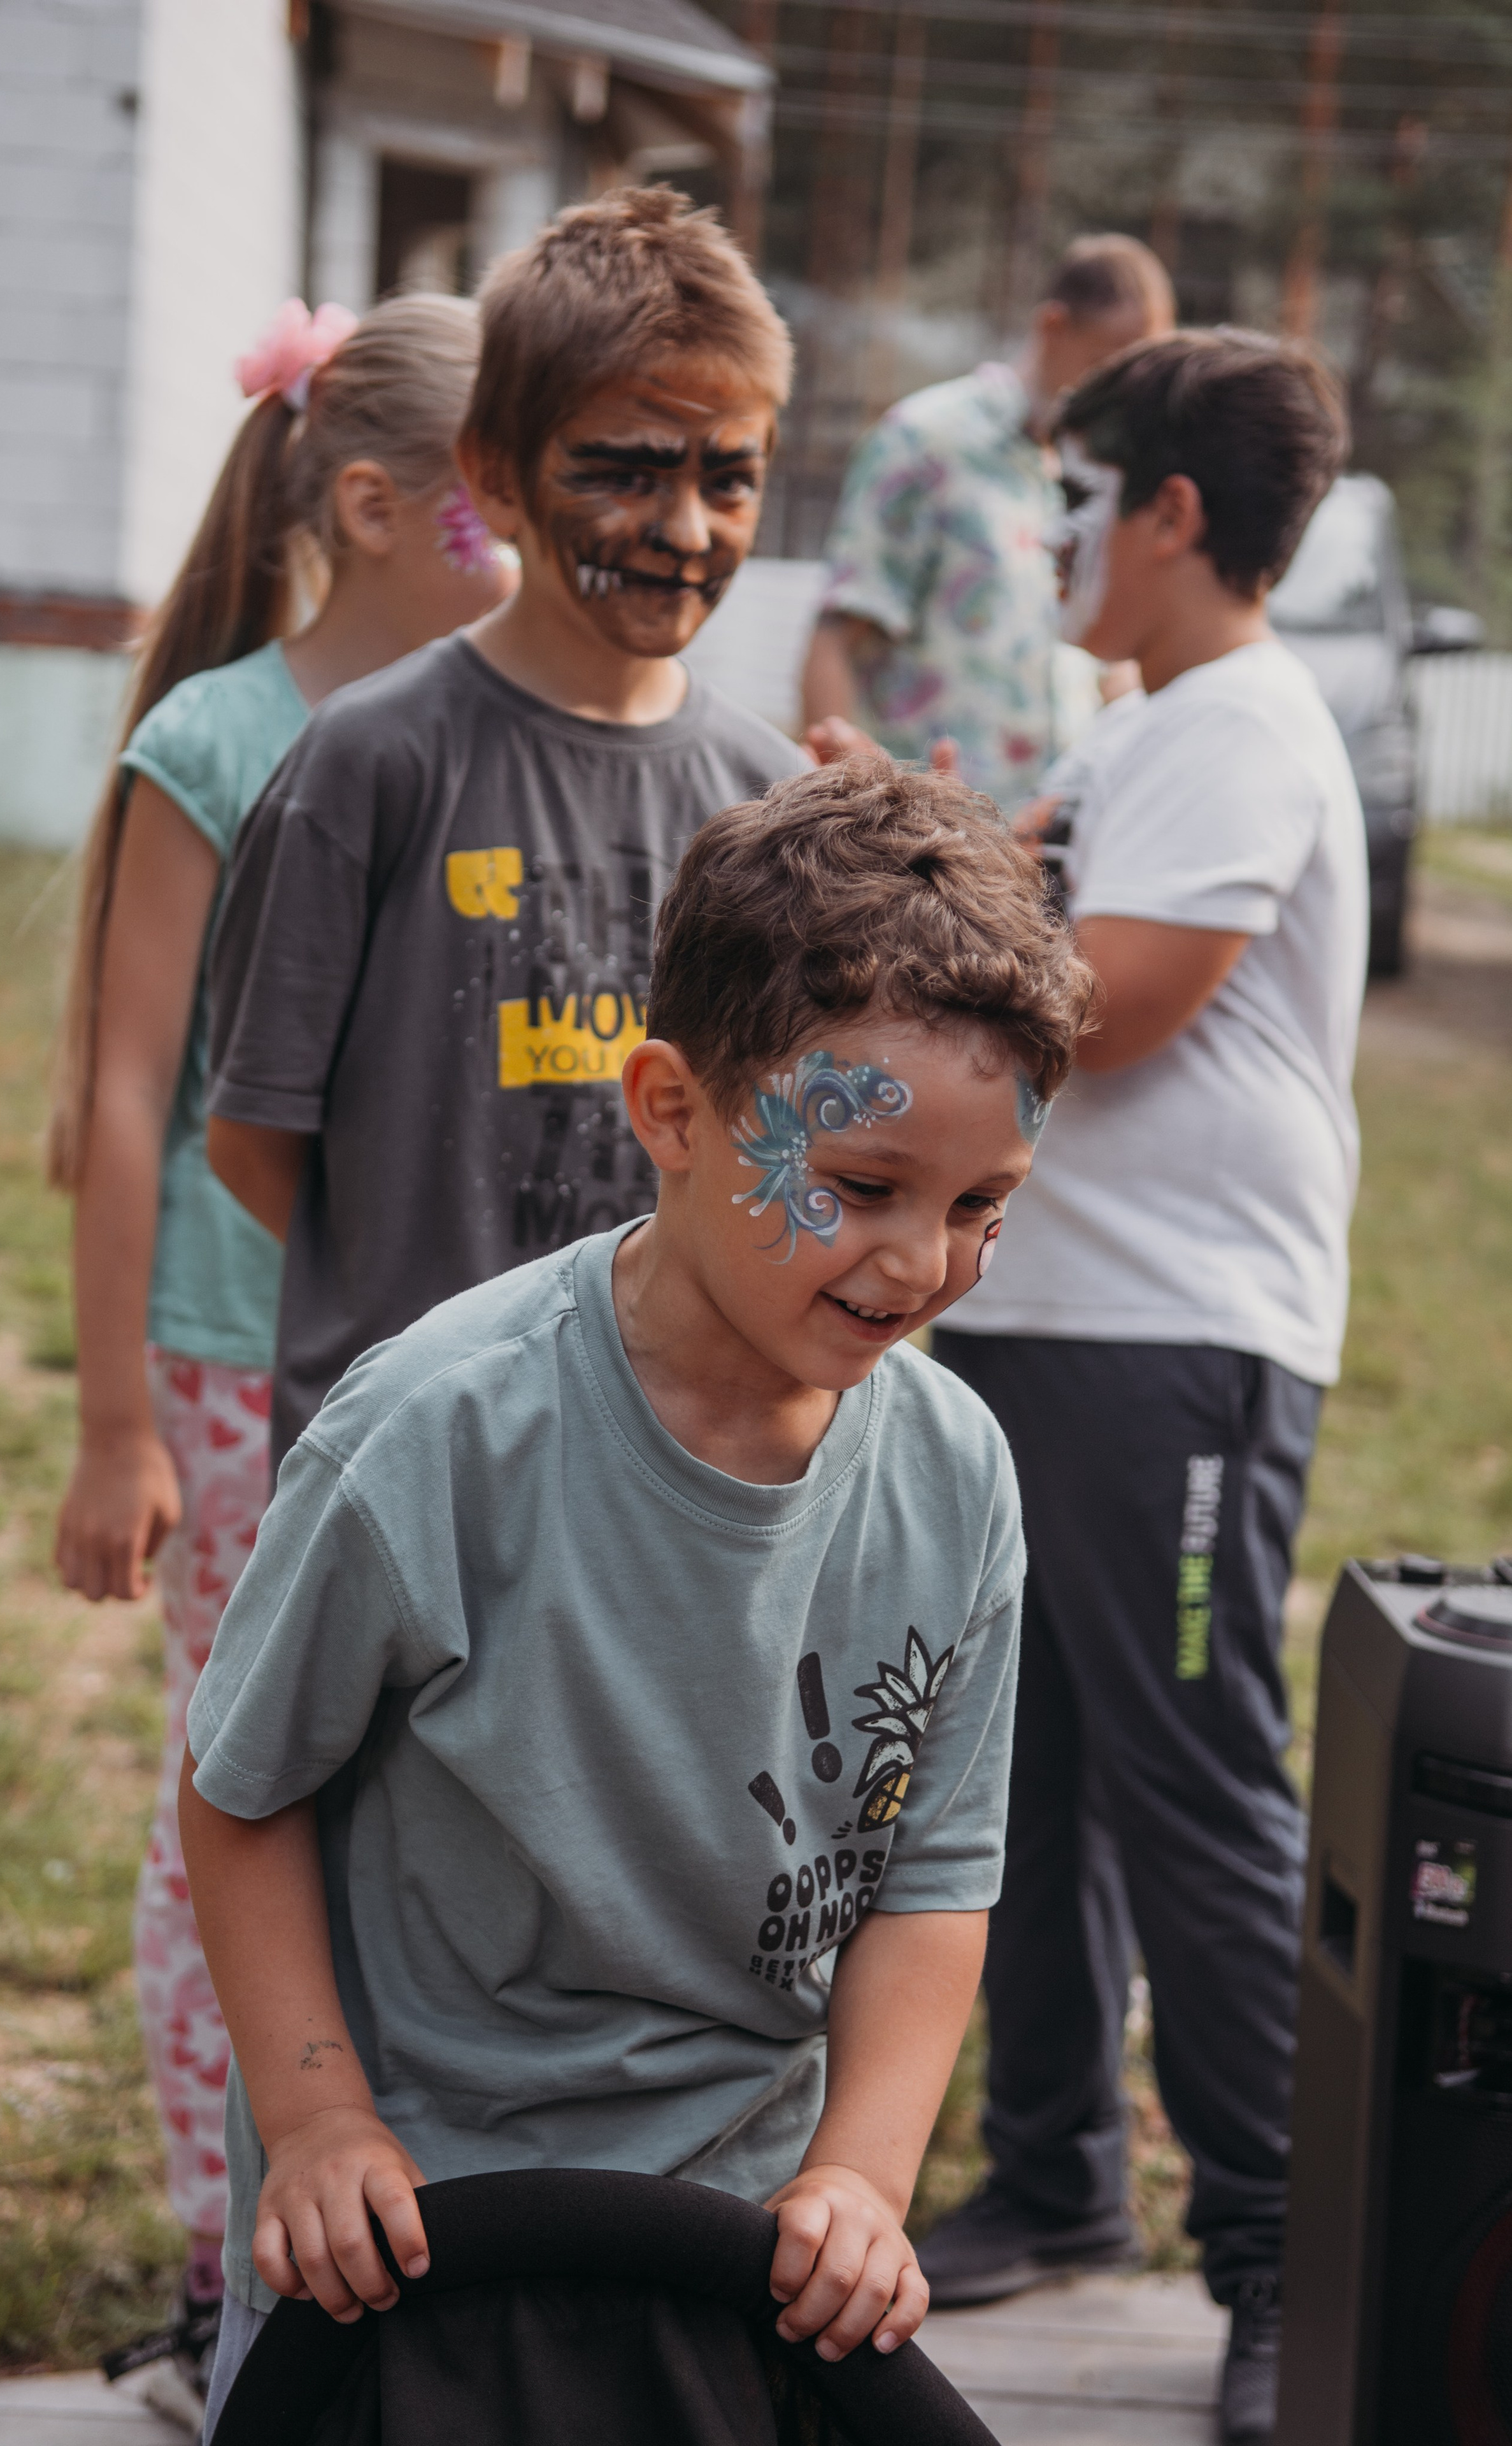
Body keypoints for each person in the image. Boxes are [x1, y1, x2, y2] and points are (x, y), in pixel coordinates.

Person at [176, 761, 1095, 2440]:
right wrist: (316, 2126)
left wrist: (862, 2182)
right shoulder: (434, 1437)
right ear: (670, 1108)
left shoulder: (957, 1476)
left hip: (734, 2265)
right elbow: (243, 1794)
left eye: (982, 1209)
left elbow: (936, 1880)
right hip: (408, 2259)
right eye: (867, 1185)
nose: (921, 1266)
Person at [48, 290, 513, 2411]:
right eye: (514, 502)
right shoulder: (220, 743)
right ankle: (216, 2282)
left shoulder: (479, 729)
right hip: (240, 1389)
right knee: (243, 1814)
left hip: (433, 1382)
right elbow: (133, 1096)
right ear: (373, 505)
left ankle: (384, 2250)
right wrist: (117, 1423)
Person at [918, 330, 1364, 2446]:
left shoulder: (1241, 723)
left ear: (1178, 514)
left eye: (1085, 501)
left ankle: (1279, 2258)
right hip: (1035, 1322)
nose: (1059, 538)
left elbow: (1129, 1001)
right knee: (1034, 1781)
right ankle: (1057, 2179)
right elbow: (1004, 886)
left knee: (1191, 1786)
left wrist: (932, 912)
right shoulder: (1147, 731)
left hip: (1179, 1347)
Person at [202, 189, 809, 1475]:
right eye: (627, 469)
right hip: (409, 1469)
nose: (686, 527)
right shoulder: (368, 760)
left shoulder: (767, 798)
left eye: (729, 478)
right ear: (496, 473)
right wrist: (414, 1337)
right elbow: (253, 1137)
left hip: (663, 1468)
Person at [800, 234, 1174, 798]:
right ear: (1052, 328)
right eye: (1107, 366)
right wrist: (849, 825)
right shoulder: (927, 441)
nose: (1124, 397)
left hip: (1043, 854)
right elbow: (833, 642)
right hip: (926, 858)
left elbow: (1104, 667)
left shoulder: (1100, 468)